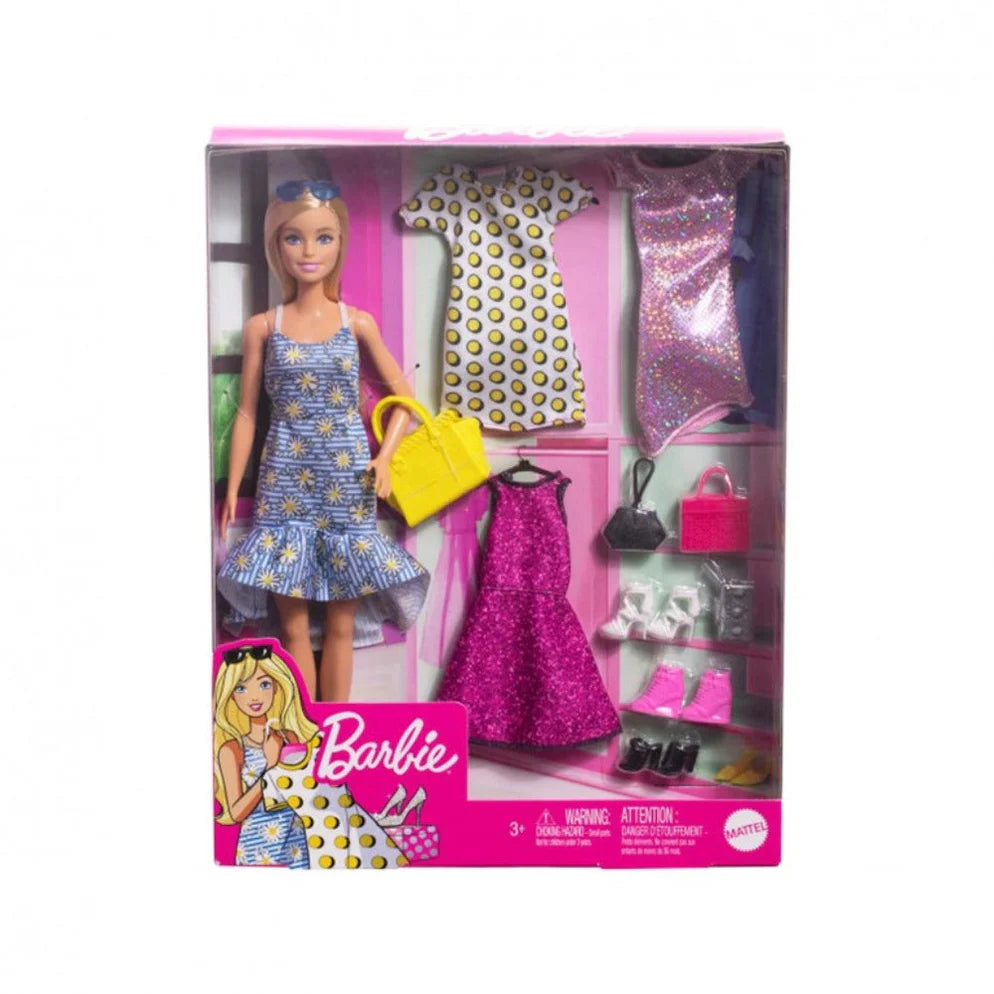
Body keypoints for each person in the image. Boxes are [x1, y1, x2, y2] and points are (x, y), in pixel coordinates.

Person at [217, 180, 429, 701]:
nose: (309, 251)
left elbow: (406, 401)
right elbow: (247, 412)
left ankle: (336, 733)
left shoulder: (356, 323)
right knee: (291, 626)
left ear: (340, 243)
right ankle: (304, 733)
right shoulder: (264, 327)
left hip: (349, 479)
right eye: (294, 238)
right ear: (276, 244)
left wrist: (384, 458)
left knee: (340, 626)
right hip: (284, 480)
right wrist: (232, 487)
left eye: (323, 238)